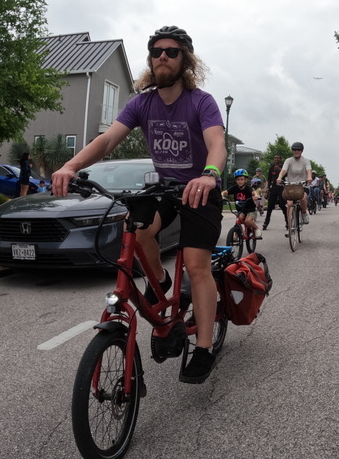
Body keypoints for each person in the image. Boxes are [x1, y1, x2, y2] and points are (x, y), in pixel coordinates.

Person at [52, 25, 226, 384]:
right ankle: (160, 279)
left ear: (185, 60)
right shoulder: (141, 103)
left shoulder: (201, 102)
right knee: (137, 228)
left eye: (172, 51)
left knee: (197, 266)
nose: (163, 56)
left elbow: (216, 144)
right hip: (165, 189)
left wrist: (209, 174)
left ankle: (204, 347)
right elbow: (106, 141)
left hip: (200, 190)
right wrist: (71, 166)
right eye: (156, 51)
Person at [277, 141, 313, 234]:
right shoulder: (288, 160)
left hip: (303, 185)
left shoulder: (306, 161)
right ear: (292, 151)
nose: (296, 151)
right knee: (289, 204)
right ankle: (289, 225)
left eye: (298, 150)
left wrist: (309, 177)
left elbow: (309, 170)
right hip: (291, 185)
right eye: (294, 150)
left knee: (303, 197)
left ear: (301, 151)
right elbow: (284, 170)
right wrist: (280, 177)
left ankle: (304, 213)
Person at [222, 169, 262, 239]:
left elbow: (253, 192)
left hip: (250, 210)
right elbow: (225, 192)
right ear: (236, 180)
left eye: (241, 179)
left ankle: (256, 229)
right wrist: (222, 195)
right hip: (241, 210)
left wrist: (256, 196)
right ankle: (237, 233)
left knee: (247, 221)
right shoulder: (235, 188)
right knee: (239, 219)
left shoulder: (248, 188)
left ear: (245, 180)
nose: (239, 181)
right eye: (238, 179)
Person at [261, 154, 285, 230]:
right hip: (273, 188)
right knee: (270, 206)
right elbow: (269, 178)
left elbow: (286, 175)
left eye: (278, 158)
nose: (276, 159)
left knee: (283, 205)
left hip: (281, 188)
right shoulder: (271, 168)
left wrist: (279, 169)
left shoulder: (283, 167)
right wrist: (268, 187)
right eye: (275, 158)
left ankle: (288, 222)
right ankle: (266, 223)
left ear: (280, 159)